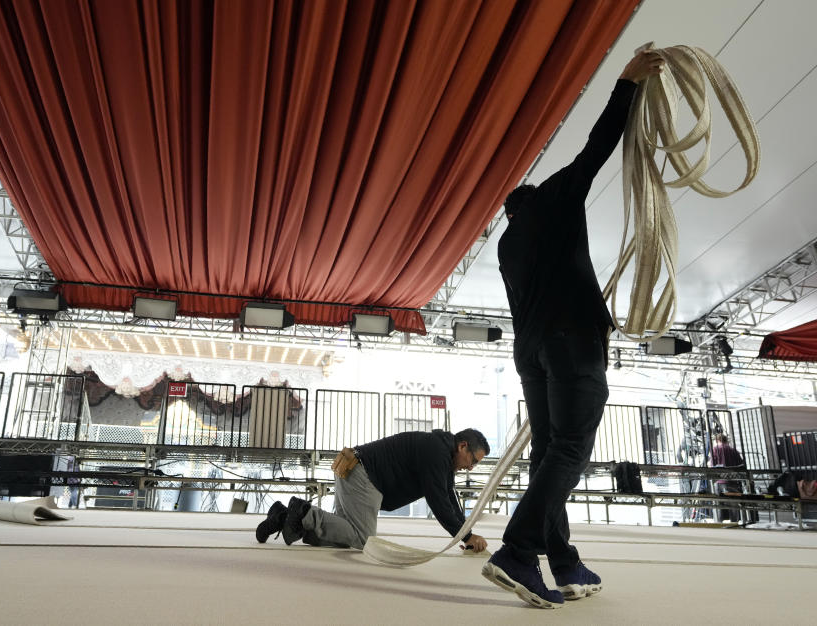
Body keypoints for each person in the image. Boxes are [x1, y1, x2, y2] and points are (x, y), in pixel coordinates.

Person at [481, 50, 665, 610]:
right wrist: (627, 85)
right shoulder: (553, 203)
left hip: (531, 352)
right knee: (570, 449)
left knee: (549, 453)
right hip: (572, 344)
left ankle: (561, 560)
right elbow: (596, 149)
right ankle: (518, 550)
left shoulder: (508, 244)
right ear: (535, 196)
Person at [255, 428, 490, 552]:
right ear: (462, 446)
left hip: (356, 470)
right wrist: (467, 537)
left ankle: (286, 517)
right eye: (474, 461)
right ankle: (303, 513)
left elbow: (450, 499)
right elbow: (439, 502)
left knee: (343, 537)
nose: (471, 467)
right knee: (362, 539)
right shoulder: (436, 452)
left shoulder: (443, 457)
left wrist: (466, 532)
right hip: (364, 476)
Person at [710, 433, 746, 522]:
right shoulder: (733, 450)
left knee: (718, 506)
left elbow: (712, 466)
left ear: (717, 441)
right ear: (726, 440)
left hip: (719, 482)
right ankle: (735, 524)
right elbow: (741, 465)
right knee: (734, 506)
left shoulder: (715, 449)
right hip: (732, 482)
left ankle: (719, 524)